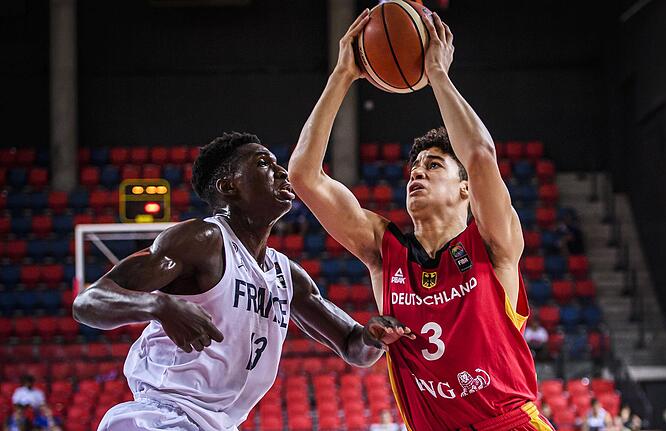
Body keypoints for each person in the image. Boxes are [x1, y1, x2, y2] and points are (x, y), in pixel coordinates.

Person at [289, 8, 554, 431]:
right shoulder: (384, 250)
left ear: (464, 188)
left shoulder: (493, 243)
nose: (417, 172)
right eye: (414, 168)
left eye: (433, 166)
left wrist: (437, 76)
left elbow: (482, 157)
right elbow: (303, 177)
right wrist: (342, 75)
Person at [73, 132, 414, 431]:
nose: (281, 171)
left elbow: (354, 347)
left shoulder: (286, 275)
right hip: (162, 417)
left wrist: (374, 336)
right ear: (228, 186)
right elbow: (88, 303)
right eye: (264, 164)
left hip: (221, 423)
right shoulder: (202, 240)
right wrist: (158, 305)